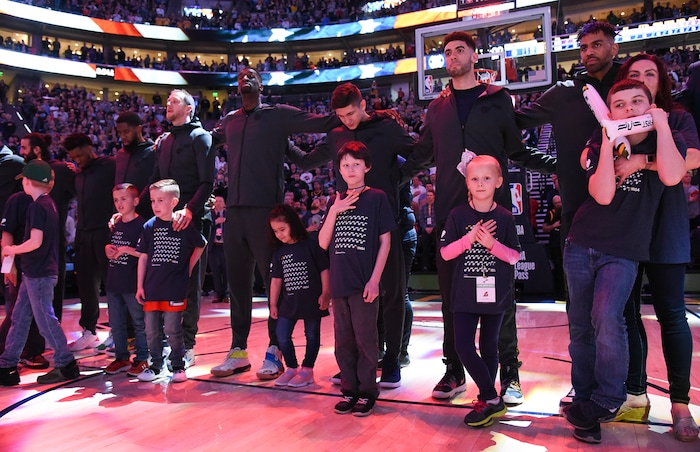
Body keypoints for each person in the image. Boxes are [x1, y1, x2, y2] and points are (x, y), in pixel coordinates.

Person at [401, 30, 556, 404]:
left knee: (501, 301)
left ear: (474, 56)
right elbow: (420, 155)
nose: (452, 56)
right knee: (451, 300)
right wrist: (384, 168)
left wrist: (557, 165)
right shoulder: (437, 108)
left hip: (492, 217)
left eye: (460, 50)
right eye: (447, 52)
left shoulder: (498, 99)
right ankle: (454, 371)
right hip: (451, 218)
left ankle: (510, 374)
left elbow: (517, 150)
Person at [562, 79, 686, 444]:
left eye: (637, 101)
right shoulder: (597, 142)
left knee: (606, 316)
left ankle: (607, 398)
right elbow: (602, 194)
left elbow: (672, 174)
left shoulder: (665, 140)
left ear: (651, 104)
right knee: (580, 328)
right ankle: (584, 402)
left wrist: (660, 126)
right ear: (609, 111)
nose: (629, 108)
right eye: (619, 104)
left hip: (624, 251)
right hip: (581, 243)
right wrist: (607, 141)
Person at [515, 21, 621, 407]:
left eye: (597, 44)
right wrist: (555, 167)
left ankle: (627, 391)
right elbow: (516, 121)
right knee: (579, 313)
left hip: (626, 214)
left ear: (613, 47)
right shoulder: (563, 93)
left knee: (617, 316)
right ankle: (584, 387)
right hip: (577, 217)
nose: (589, 52)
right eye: (584, 47)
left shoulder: (629, 89)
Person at [209, 68, 338, 381]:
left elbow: (321, 124)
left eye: (251, 75)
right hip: (234, 213)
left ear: (261, 85)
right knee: (237, 287)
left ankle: (274, 350)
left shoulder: (277, 115)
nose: (245, 78)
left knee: (275, 285)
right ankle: (238, 351)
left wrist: (356, 117)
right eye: (240, 75)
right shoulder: (230, 120)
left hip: (267, 213)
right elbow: (203, 142)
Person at [291, 82, 414, 388]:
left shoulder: (387, 128)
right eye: (341, 115)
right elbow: (306, 160)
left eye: (350, 113)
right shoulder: (336, 135)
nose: (346, 120)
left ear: (363, 105)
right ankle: (358, 363)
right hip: (349, 229)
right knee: (354, 299)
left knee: (392, 295)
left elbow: (420, 153)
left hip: (387, 224)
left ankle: (393, 361)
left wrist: (397, 179)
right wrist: (279, 137)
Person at [609, 53, 700, 443]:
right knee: (627, 316)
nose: (643, 79)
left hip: (667, 225)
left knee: (672, 315)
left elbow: (691, 159)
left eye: (650, 74)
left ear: (661, 80)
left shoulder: (676, 118)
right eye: (635, 74)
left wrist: (641, 161)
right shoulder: (616, 122)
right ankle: (636, 395)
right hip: (627, 228)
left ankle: (680, 404)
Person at [440, 154, 521, 428]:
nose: (480, 183)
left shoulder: (505, 217)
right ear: (467, 183)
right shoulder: (457, 215)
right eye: (474, 178)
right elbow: (446, 253)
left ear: (498, 181)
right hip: (464, 293)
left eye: (487, 178)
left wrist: (491, 244)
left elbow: (514, 257)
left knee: (489, 346)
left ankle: (488, 401)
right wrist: (469, 238)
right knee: (463, 345)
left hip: (495, 294)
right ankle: (490, 396)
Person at [318, 141, 394, 417]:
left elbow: (385, 242)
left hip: (364, 284)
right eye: (345, 165)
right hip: (340, 283)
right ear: (339, 169)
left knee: (365, 339)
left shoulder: (377, 198)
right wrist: (334, 211)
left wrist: (374, 280)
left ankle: (367, 392)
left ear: (367, 167)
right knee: (343, 341)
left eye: (356, 164)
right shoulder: (334, 201)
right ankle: (349, 390)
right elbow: (322, 242)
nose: (350, 169)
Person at [149, 89, 215, 369]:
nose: (168, 104)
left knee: (189, 284)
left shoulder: (201, 137)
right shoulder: (163, 141)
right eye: (167, 101)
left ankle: (187, 345)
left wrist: (189, 210)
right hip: (166, 221)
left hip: (193, 219)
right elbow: (155, 181)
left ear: (189, 109)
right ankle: (168, 342)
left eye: (174, 101)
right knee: (164, 281)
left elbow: (207, 182)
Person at [0, 160, 80, 386]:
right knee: (20, 317)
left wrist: (11, 250)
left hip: (39, 272)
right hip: (35, 271)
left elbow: (35, 241)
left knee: (44, 319)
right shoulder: (49, 204)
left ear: (27, 181)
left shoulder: (37, 207)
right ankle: (7, 364)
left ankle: (66, 363)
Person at [135, 179, 206, 383]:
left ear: (174, 202)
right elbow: (143, 257)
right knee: (151, 331)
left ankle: (177, 365)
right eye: (152, 201)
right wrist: (140, 286)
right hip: (151, 288)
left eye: (160, 200)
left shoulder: (183, 225)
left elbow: (201, 244)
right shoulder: (149, 226)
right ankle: (156, 365)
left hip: (174, 287)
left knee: (173, 330)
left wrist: (189, 266)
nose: (155, 205)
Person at [267, 204, 330, 388]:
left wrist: (326, 293)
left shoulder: (311, 245)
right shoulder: (279, 252)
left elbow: (324, 269)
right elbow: (276, 280)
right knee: (282, 334)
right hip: (289, 303)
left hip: (312, 301)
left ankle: (307, 370)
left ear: (293, 224)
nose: (279, 234)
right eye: (275, 231)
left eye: (282, 229)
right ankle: (292, 368)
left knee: (312, 335)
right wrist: (273, 304)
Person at [64, 133, 115, 352]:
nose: (78, 160)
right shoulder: (77, 174)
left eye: (80, 155)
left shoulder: (110, 165)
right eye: (74, 157)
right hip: (83, 234)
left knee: (113, 285)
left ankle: (117, 330)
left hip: (106, 231)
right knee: (86, 285)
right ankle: (89, 331)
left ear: (89, 147)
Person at [19, 133, 75, 323]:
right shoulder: (28, 171)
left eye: (24, 148)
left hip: (53, 243)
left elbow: (80, 193)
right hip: (32, 244)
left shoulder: (60, 170)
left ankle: (52, 333)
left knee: (50, 299)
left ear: (36, 150)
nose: (20, 152)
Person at [103, 183, 148, 377]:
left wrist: (127, 250)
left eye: (123, 199)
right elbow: (112, 245)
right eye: (116, 200)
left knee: (139, 322)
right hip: (114, 281)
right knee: (116, 323)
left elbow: (145, 253)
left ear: (135, 201)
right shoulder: (117, 223)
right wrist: (108, 249)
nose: (119, 203)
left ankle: (142, 358)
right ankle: (121, 357)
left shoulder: (142, 225)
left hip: (132, 283)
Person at [0, 190, 48, 369]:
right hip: (20, 262)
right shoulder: (18, 199)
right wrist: (8, 264)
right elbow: (7, 233)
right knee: (18, 309)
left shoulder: (46, 201)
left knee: (34, 308)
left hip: (40, 264)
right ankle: (7, 351)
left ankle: (32, 351)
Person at [114, 112, 155, 218]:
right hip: (122, 216)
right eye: (120, 133)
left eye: (126, 132)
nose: (123, 136)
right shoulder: (120, 154)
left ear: (139, 129)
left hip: (144, 216)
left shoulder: (153, 152)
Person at [542, 195, 566, 300]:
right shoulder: (551, 214)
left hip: (566, 243)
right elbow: (544, 228)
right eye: (556, 203)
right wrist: (553, 226)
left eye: (559, 202)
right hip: (555, 245)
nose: (558, 204)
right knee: (558, 268)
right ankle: (559, 293)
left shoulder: (566, 212)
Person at [208, 191, 229, 304]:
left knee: (226, 271)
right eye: (216, 201)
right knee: (215, 272)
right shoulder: (210, 214)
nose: (218, 203)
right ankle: (218, 294)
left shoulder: (228, 214)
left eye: (220, 201)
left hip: (225, 246)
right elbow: (206, 227)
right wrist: (215, 222)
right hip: (214, 246)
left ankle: (226, 294)